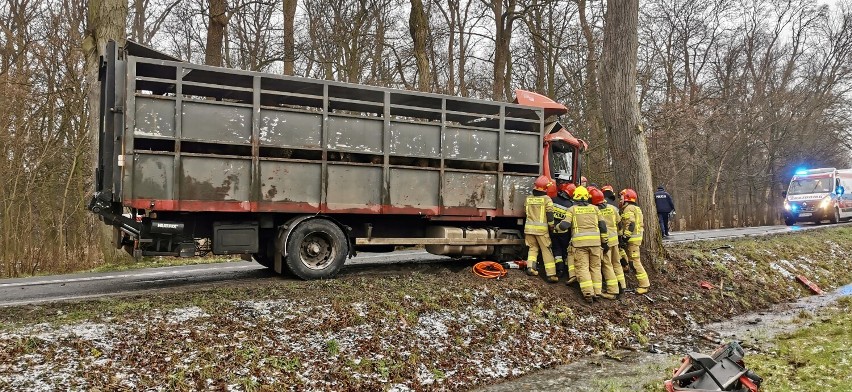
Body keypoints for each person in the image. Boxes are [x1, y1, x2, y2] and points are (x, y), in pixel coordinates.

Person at [556, 186, 610, 303]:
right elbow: (603, 226)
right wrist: (605, 241)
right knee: (595, 267)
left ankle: (588, 293)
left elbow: (564, 225)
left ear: (575, 197)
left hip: (580, 245)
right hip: (595, 244)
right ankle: (597, 292)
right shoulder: (595, 209)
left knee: (582, 268)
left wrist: (556, 228)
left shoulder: (572, 209)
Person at [591, 187, 625, 296]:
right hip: (615, 240)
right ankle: (622, 286)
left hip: (604, 241)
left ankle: (612, 290)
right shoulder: (613, 208)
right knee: (617, 264)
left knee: (607, 265)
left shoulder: (595, 211)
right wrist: (620, 237)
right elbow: (620, 224)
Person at [524, 175, 559, 282]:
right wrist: (551, 226)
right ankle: (551, 274)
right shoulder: (546, 199)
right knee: (546, 250)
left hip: (529, 229)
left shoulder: (528, 198)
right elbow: (549, 214)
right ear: (545, 188)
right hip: (541, 231)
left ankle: (530, 268)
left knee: (533, 248)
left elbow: (526, 212)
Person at [619, 188, 650, 294]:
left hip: (632, 240)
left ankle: (644, 285)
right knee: (626, 256)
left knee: (635, 262)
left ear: (626, 198)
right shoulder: (635, 208)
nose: (620, 200)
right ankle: (625, 266)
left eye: (621, 197)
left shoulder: (628, 209)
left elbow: (631, 224)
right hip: (635, 239)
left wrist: (625, 237)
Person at [551, 177, 575, 281]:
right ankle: (567, 270)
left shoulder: (553, 200)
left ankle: (559, 269)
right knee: (565, 251)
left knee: (556, 250)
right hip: (564, 232)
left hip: (553, 230)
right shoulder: (571, 205)